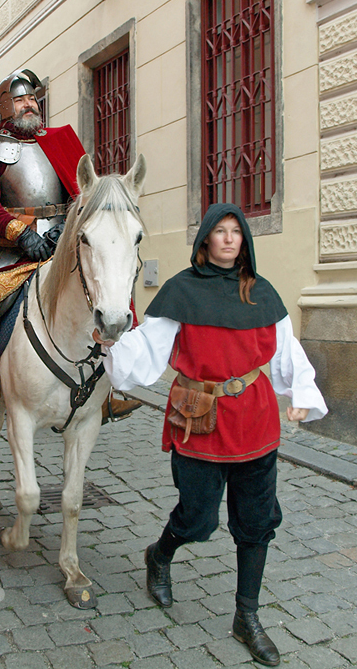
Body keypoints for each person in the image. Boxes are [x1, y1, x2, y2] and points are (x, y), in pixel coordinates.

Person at [95, 203, 328, 667]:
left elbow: (287, 351)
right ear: (205, 239)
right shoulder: (181, 290)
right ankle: (159, 555)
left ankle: (248, 616)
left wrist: (301, 391)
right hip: (199, 419)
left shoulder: (262, 293)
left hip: (257, 423)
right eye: (219, 231)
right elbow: (149, 346)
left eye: (235, 231)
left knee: (257, 524)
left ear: (244, 240)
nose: (228, 238)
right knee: (198, 519)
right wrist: (114, 349)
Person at [0, 68, 141, 425]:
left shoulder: (60, 143)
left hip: (61, 247)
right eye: (20, 99)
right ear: (5, 106)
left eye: (32, 99)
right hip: (8, 255)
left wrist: (64, 230)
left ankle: (110, 389)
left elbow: (83, 195)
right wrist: (21, 233)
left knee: (109, 287)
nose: (29, 105)